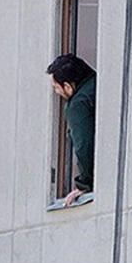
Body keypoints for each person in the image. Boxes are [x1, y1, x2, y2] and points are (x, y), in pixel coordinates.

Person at [47, 53, 96, 207]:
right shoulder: (99, 83)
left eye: (56, 87)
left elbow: (84, 145)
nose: (56, 92)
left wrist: (84, 185)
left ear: (68, 86)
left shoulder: (77, 105)